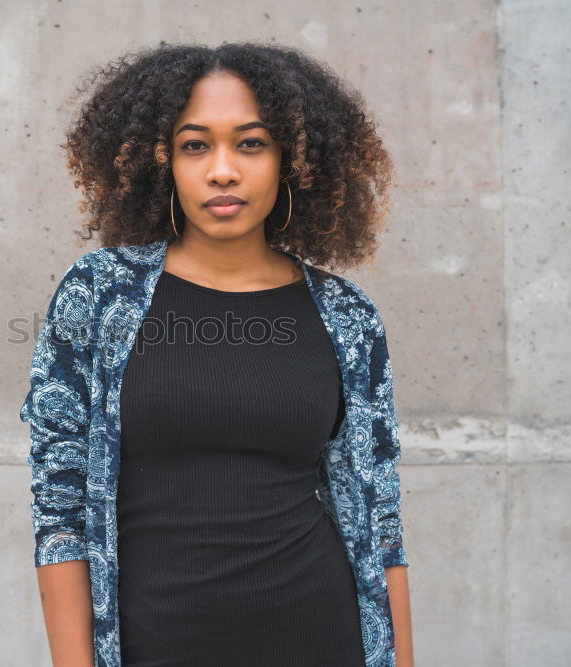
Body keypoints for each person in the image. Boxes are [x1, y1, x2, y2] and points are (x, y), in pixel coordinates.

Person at [20, 41, 414, 667]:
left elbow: (378, 521)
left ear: (292, 160)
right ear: (163, 163)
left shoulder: (346, 315)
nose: (223, 170)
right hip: (155, 643)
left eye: (251, 143)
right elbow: (59, 511)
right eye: (195, 145)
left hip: (318, 636)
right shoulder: (100, 295)